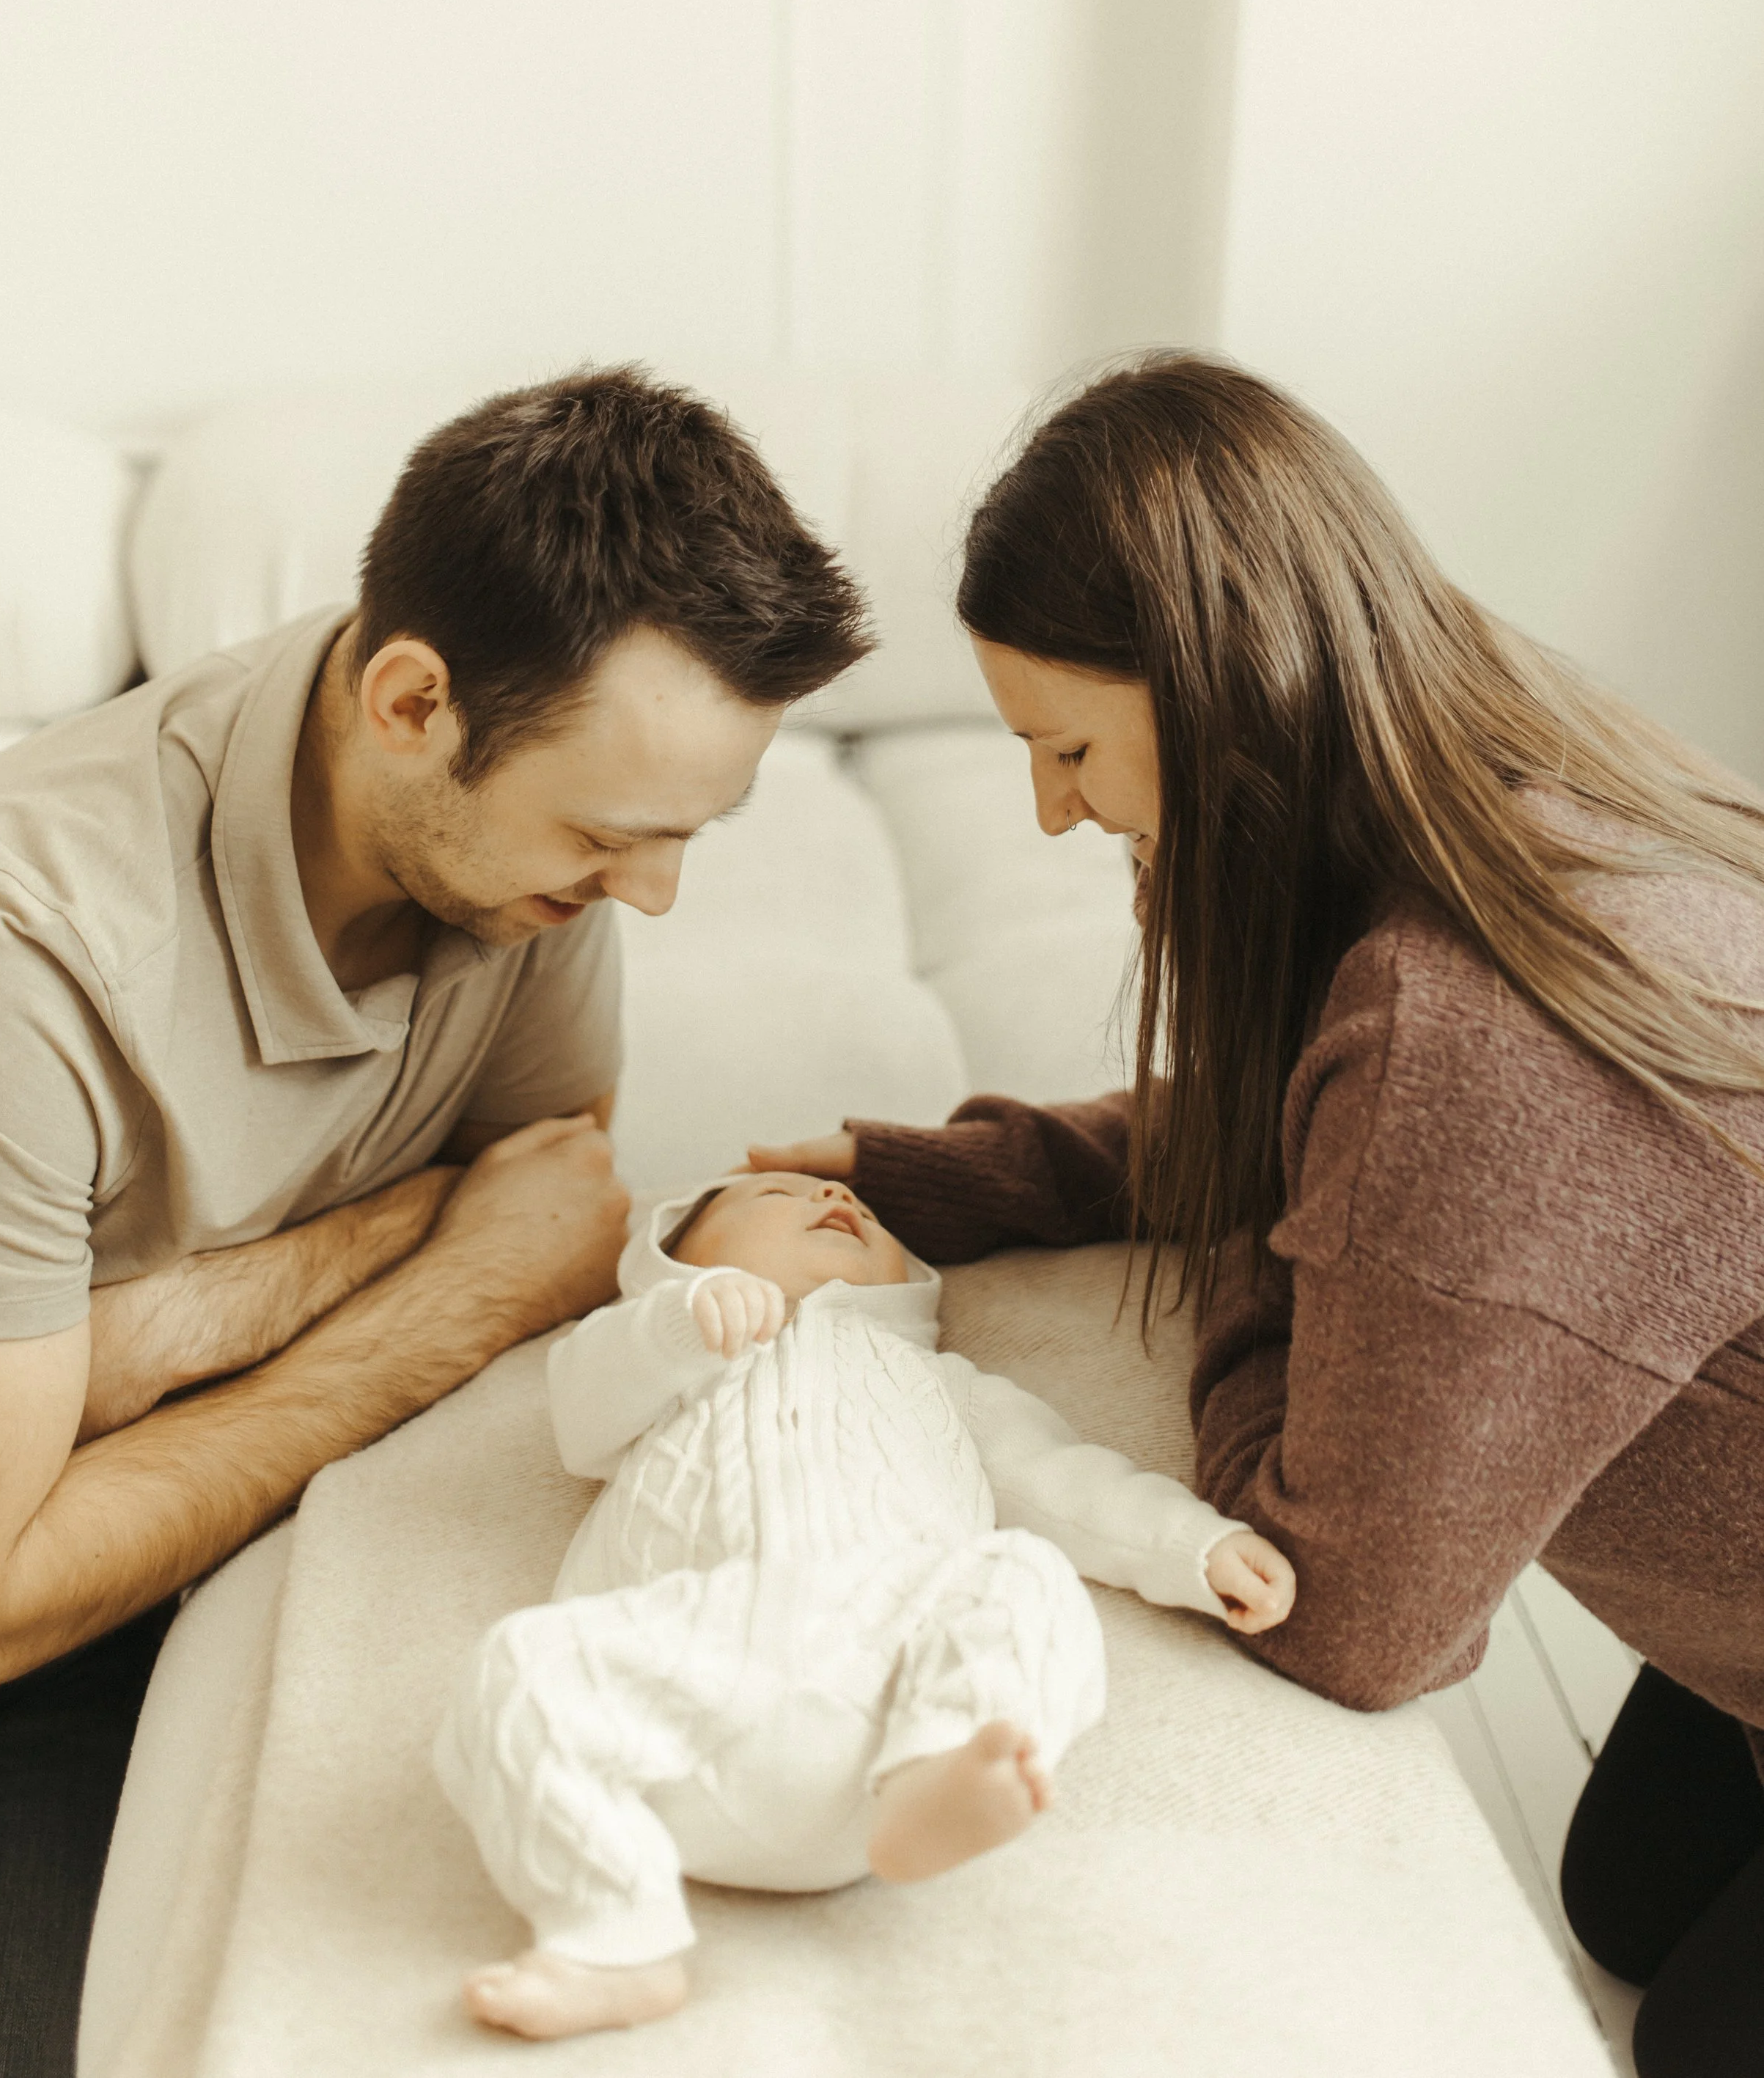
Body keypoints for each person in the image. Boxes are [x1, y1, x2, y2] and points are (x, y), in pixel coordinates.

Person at [753, 353, 1764, 2078]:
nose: (1053, 810)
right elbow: (1320, 1110)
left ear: (1222, 692)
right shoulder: (1498, 772)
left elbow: (1351, 1618)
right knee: (1619, 1906)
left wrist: (1260, 1252)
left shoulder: (1478, 1034)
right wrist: (959, 1174)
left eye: (1067, 748)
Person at [0, 366, 870, 2078]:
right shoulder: (13, 945)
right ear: (411, 702)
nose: (650, 894)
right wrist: (444, 1293)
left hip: (167, 1534)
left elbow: (552, 1204)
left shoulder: (527, 858)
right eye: (611, 836)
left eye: (682, 837)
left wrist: (157, 1334)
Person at [434, 1165, 1295, 2042]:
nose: (835, 1199)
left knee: (1023, 1573)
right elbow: (581, 1410)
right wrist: (677, 1322)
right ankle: (614, 1936)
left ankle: (948, 1763)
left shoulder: (944, 1384)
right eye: (776, 1196)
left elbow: (1068, 1484)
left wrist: (1194, 1547)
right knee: (520, 1663)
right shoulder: (674, 1362)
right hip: (686, 1686)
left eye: (862, 1208)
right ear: (677, 1257)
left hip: (886, 1711)